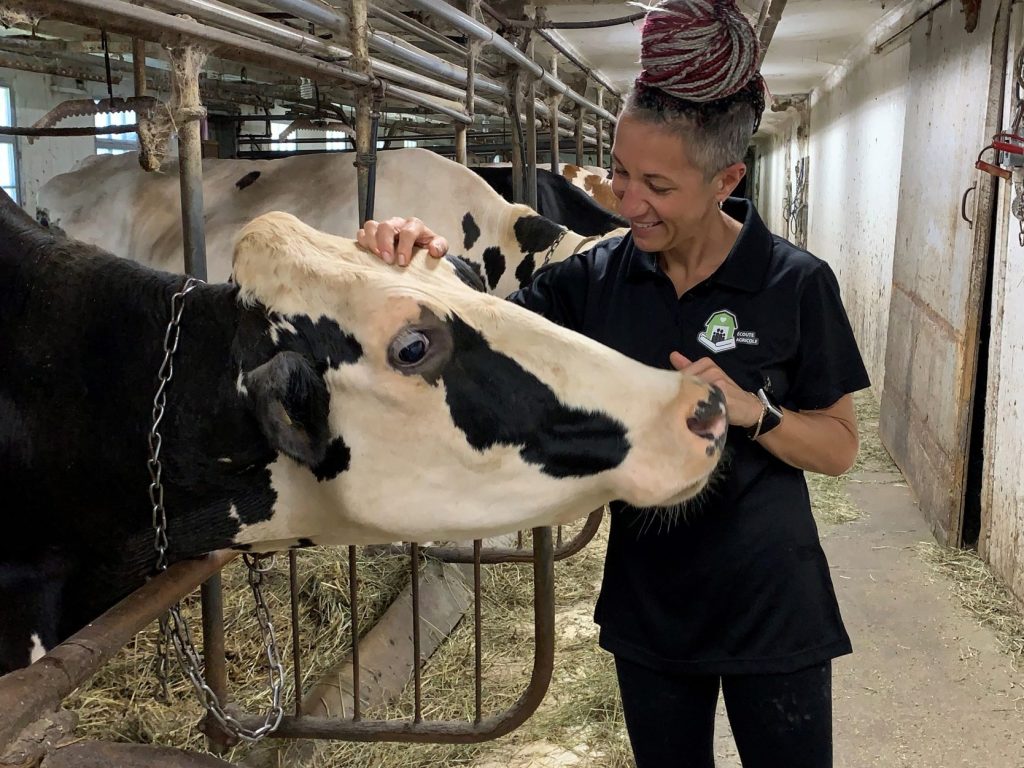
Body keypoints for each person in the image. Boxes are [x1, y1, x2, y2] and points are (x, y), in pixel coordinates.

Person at [357, 2, 869, 765]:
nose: (627, 202)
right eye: (621, 172)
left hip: (773, 602)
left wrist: (749, 410)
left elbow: (838, 448)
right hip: (650, 605)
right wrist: (412, 260)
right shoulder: (595, 278)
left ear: (727, 177)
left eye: (656, 185)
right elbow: (482, 332)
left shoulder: (794, 282)